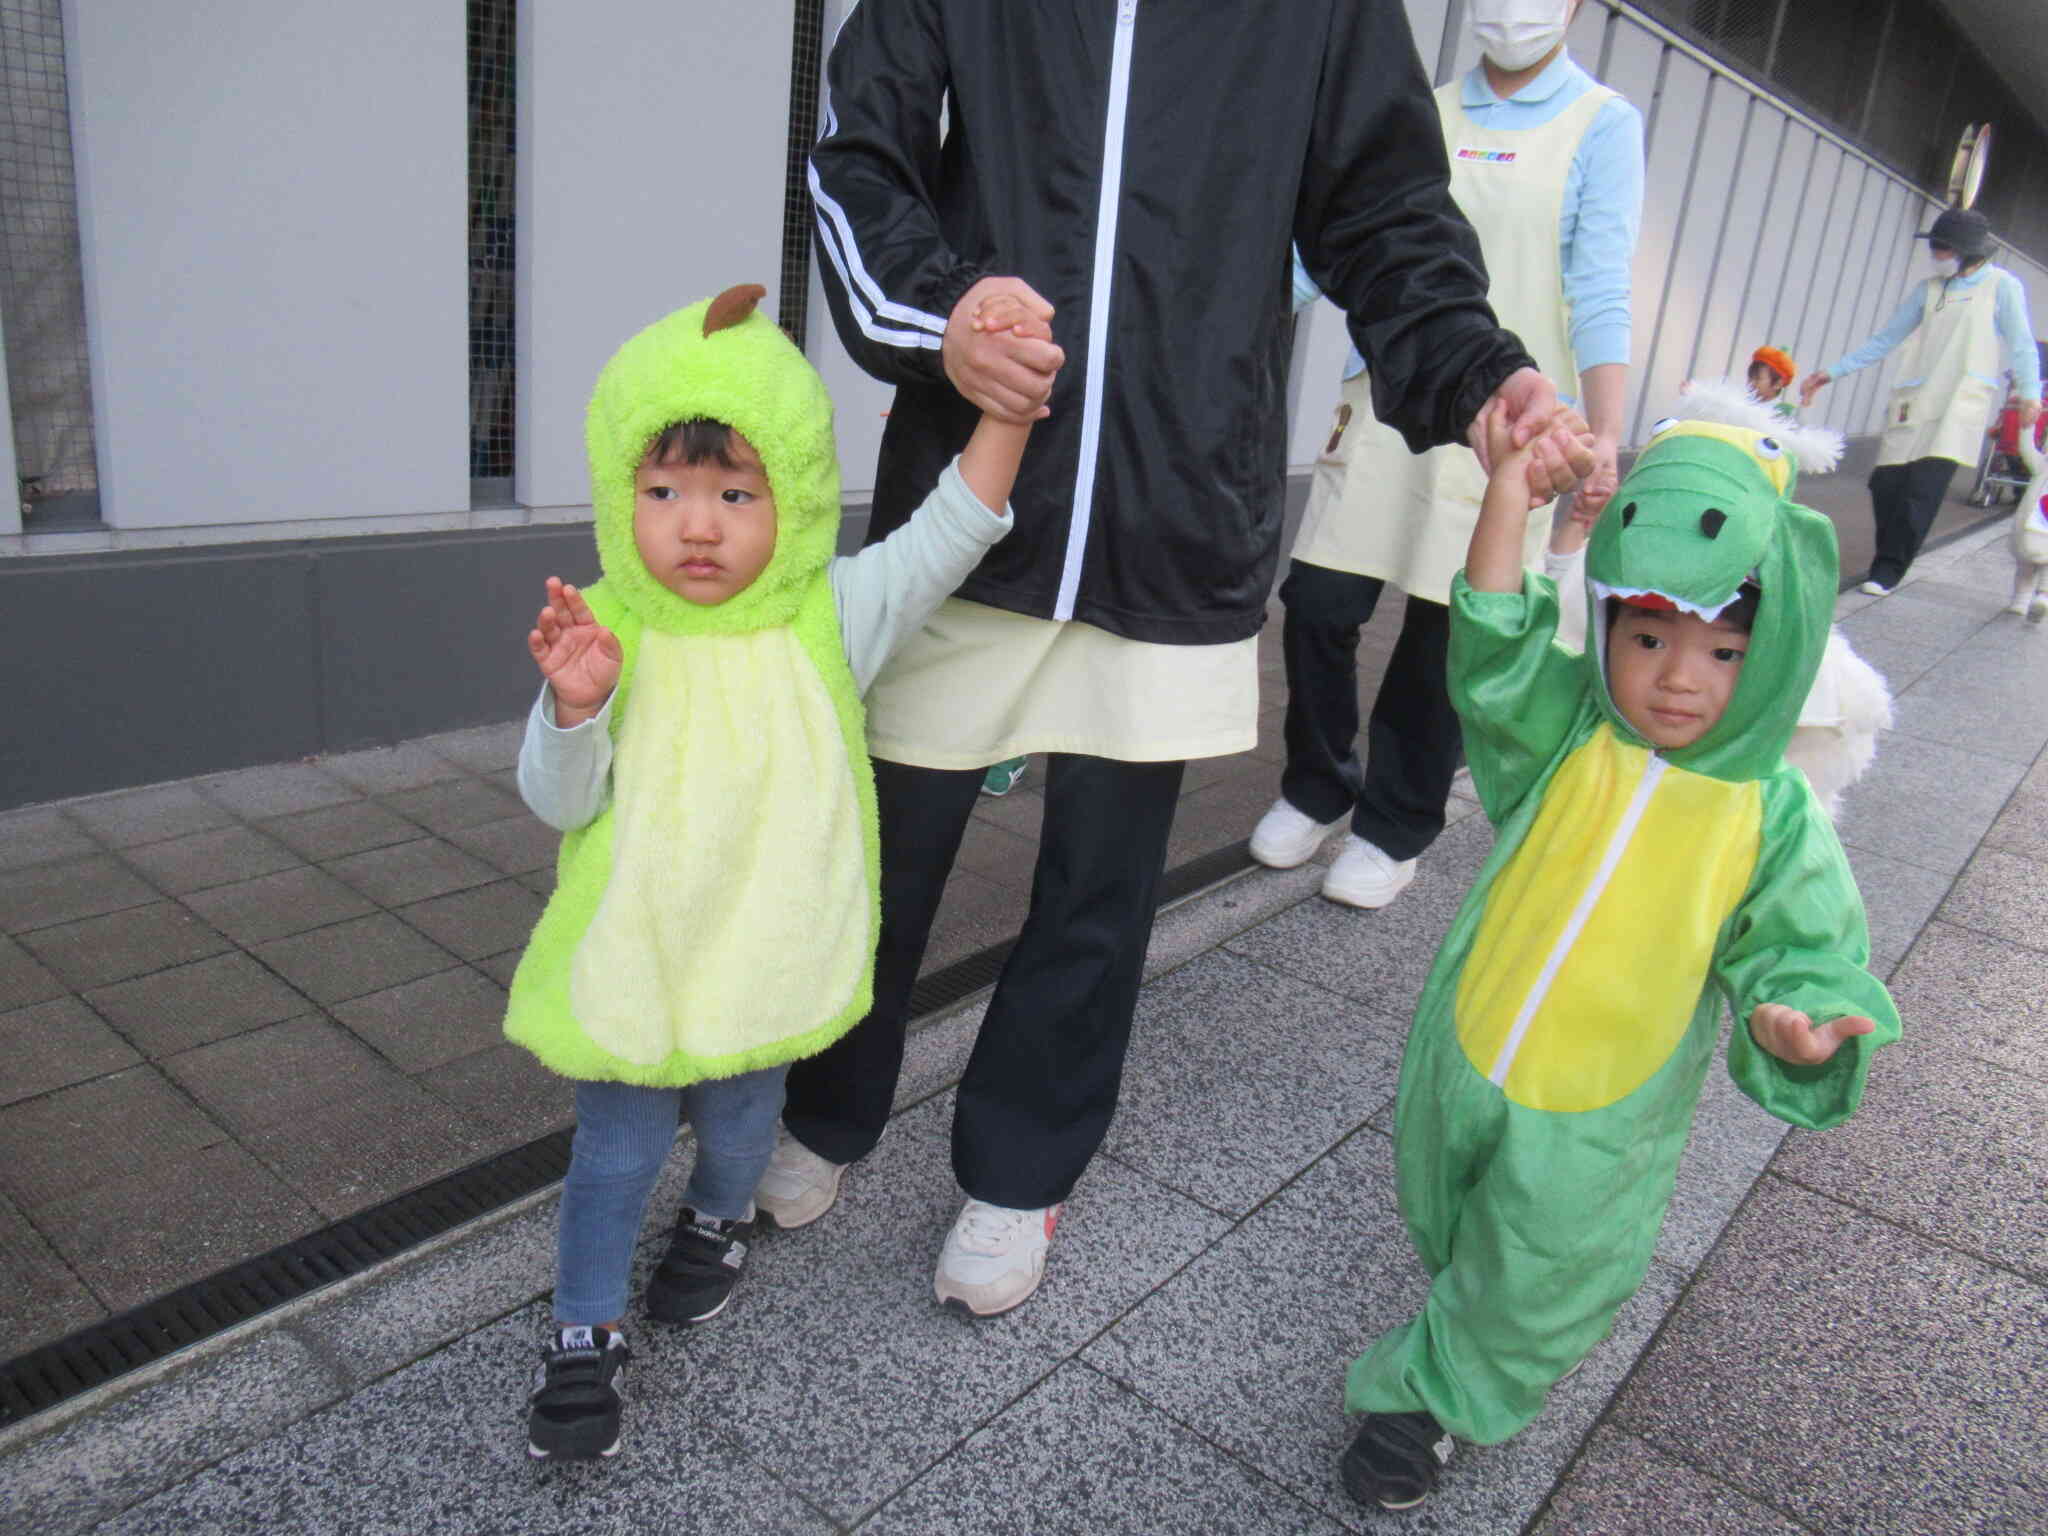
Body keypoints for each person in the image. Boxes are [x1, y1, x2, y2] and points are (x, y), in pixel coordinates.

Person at [764, 0, 1590, 1318]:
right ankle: (821, 1106)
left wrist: (1478, 373)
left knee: (1100, 888)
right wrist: (940, 318)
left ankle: (1021, 1169)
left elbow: (1383, 215)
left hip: (1179, 508)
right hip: (973, 502)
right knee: (877, 852)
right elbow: (861, 157)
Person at [505, 284, 1045, 1461]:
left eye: (735, 494)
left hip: (763, 947)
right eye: (663, 493)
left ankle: (716, 1225)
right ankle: (584, 1330)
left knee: (746, 1119)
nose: (697, 528)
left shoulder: (828, 616)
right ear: (618, 494)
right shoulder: (608, 630)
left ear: (793, 499)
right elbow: (556, 801)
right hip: (638, 955)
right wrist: (573, 708)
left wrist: (1004, 410)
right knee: (613, 1151)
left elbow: (948, 531)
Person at [1335, 397, 1900, 1512]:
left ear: (1775, 646)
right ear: (1607, 630)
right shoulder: (1569, 737)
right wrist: (1505, 496)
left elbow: (1804, 945)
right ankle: (1462, 1317)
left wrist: (1795, 1011)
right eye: (1646, 638)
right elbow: (1491, 645)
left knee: (1542, 1269)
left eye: (1723, 649)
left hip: (1604, 1108)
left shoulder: (1768, 813)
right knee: (1451, 1217)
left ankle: (1428, 1400)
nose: (1677, 678)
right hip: (1467, 1046)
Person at [1250, 0, 1643, 910]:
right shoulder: (1420, 104)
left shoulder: (1602, 123)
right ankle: (1316, 781)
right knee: (1318, 600)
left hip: (1509, 416)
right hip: (1384, 402)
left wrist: (1608, 434)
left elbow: (1601, 284)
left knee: (1447, 629)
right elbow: (1330, 247)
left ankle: (1393, 826)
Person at [1799, 204, 2041, 596]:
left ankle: (1888, 570)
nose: (1936, 256)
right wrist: (1830, 373)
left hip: (1959, 403)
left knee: (1922, 490)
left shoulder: (2002, 286)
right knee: (1885, 483)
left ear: (1964, 250)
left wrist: (2029, 394)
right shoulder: (1927, 291)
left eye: (1941, 248)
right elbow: (1884, 340)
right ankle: (1887, 557)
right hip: (1916, 397)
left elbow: (2021, 345)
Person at [1746, 344, 1799, 419]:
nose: (1751, 383)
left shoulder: (1783, 412)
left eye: (1758, 379)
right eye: (1750, 377)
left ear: (1778, 384)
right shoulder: (1743, 403)